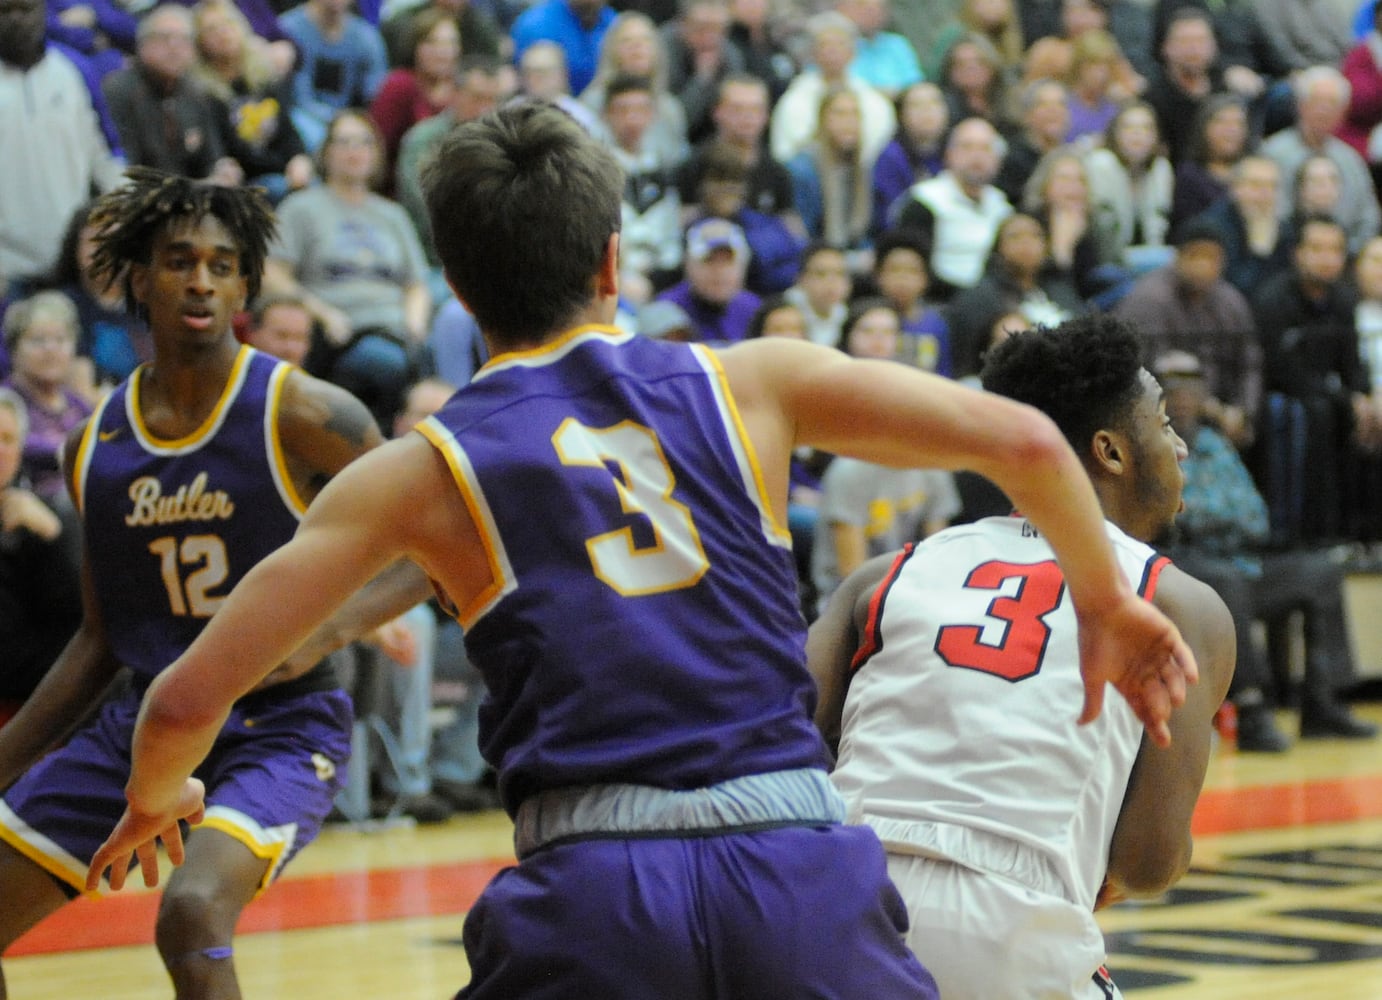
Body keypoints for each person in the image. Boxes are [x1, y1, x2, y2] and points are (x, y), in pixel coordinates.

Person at [84, 102, 1197, 1000]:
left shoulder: (419, 469)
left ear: (459, 288)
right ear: (614, 259)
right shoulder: (751, 380)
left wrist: (156, 794)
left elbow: (183, 698)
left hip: (592, 889)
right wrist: (1100, 597)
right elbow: (1022, 438)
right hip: (797, 865)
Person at [0, 169, 426, 1000]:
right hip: (148, 717)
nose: (201, 279)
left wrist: (332, 629)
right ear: (136, 275)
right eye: (178, 259)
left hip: (280, 722)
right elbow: (98, 641)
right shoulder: (96, 444)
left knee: (192, 913)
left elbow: (435, 532)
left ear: (246, 282)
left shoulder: (302, 409)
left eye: (222, 264)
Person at [810, 315, 1234, 999]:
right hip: (1010, 922)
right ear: (1112, 452)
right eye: (1162, 423)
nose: (1180, 446)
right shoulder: (1180, 605)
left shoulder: (883, 575)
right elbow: (1149, 861)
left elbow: (782, 759)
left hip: (838, 901)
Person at [1157, 349, 1378, 751]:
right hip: (1187, 568)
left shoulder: (1215, 443)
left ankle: (1321, 704)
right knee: (1229, 581)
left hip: (1241, 558)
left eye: (1192, 385)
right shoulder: (1153, 448)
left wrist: (1208, 514)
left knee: (1321, 572)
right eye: (1173, 386)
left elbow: (1254, 513)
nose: (1184, 396)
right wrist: (1220, 516)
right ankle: (1252, 710)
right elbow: (1170, 516)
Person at [264, 110, 433, 430]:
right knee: (383, 363)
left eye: (365, 142)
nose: (355, 151)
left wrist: (415, 324)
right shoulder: (301, 207)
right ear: (326, 152)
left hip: (397, 330)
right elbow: (272, 275)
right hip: (337, 331)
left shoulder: (392, 213)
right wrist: (323, 313)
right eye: (345, 142)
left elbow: (417, 284)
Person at [0, 0, 123, 297]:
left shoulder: (75, 69)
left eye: (24, 9)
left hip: (73, 264)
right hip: (6, 272)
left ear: (43, 11)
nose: (16, 20)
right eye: (5, 11)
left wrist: (128, 219)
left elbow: (107, 155)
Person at [0, 387, 81, 715]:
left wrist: (53, 537)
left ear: (20, 450)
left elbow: (82, 621)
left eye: (7, 439)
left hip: (39, 691)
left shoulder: (41, 517)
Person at [102, 5, 244, 185]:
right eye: (164, 38)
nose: (175, 47)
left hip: (192, 197)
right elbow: (125, 169)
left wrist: (223, 171)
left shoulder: (196, 92)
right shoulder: (119, 91)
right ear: (143, 44)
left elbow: (212, 158)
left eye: (184, 39)